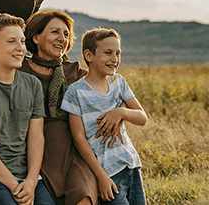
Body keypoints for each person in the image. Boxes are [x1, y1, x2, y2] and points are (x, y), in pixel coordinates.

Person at [0, 12, 55, 205]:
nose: (20, 48)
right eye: (12, 41)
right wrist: (14, 186)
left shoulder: (32, 84)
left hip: (30, 178)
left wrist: (31, 181)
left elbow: (36, 137)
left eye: (22, 41)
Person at [18, 10, 99, 205]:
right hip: (33, 156)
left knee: (83, 197)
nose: (62, 39)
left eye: (66, 34)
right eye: (55, 32)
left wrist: (118, 112)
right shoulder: (19, 71)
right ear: (36, 37)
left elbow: (111, 92)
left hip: (74, 155)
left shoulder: (77, 73)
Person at [61, 28, 148, 205]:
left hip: (131, 163)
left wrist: (120, 112)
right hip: (108, 172)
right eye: (108, 53)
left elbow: (142, 117)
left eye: (118, 53)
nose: (114, 59)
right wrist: (101, 177)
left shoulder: (119, 82)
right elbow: (79, 138)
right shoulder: (75, 92)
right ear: (89, 55)